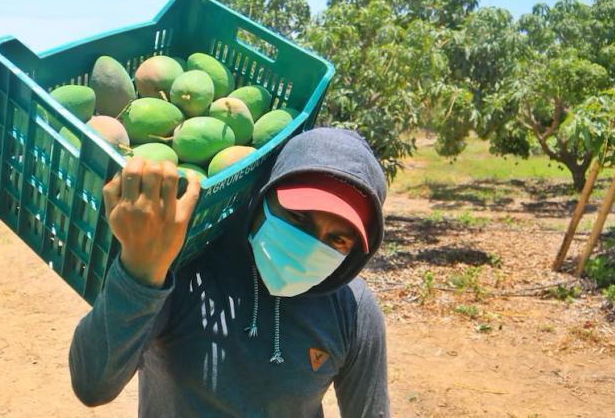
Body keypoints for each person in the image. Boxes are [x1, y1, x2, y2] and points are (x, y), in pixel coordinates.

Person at [69, 127, 390, 417]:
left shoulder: (352, 310)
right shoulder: (188, 274)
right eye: (298, 218)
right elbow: (93, 382)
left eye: (337, 239)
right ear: (264, 194)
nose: (308, 247)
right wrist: (140, 269)